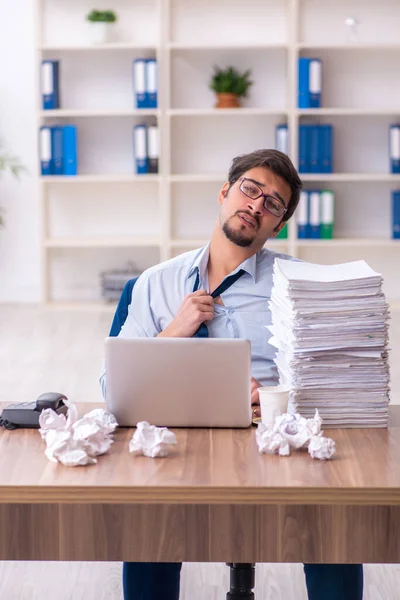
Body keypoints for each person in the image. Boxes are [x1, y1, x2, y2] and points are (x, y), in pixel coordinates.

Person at [100, 149, 363, 600]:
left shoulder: (299, 285)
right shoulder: (155, 283)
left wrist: (279, 395)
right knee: (147, 525)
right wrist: (176, 331)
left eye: (273, 204)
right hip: (176, 442)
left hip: (275, 443)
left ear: (277, 226)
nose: (257, 205)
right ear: (225, 193)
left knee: (333, 522)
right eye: (250, 190)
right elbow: (114, 391)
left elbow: (338, 377)